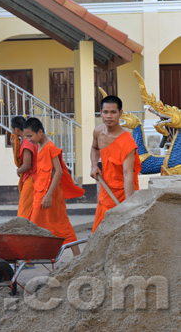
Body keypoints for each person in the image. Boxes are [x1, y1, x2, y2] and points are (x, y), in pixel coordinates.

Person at [24, 117, 84, 256]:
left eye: (30, 136)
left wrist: (49, 194)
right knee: (41, 224)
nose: (28, 140)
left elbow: (59, 171)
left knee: (58, 224)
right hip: (41, 192)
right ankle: (39, 255)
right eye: (26, 136)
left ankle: (77, 256)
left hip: (50, 194)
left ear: (40, 132)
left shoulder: (50, 147)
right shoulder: (40, 146)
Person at [90, 95, 141, 232]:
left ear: (120, 113)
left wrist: (128, 206)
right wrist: (94, 165)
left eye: (113, 112)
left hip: (124, 193)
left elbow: (128, 174)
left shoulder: (127, 142)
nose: (109, 116)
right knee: (99, 233)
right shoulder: (98, 132)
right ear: (100, 112)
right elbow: (94, 148)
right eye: (105, 112)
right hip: (106, 190)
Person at [10, 116, 38, 219]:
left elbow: (26, 165)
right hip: (33, 178)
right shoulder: (27, 140)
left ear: (16, 130)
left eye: (11, 129)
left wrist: (19, 170)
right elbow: (19, 161)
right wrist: (14, 145)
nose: (11, 131)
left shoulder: (27, 142)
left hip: (31, 180)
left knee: (24, 212)